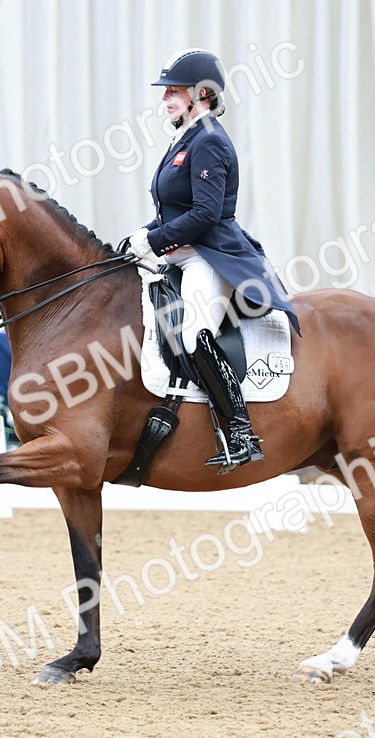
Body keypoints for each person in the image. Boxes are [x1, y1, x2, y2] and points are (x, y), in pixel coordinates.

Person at [126, 48, 300, 471]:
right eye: (165, 92)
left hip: (209, 256)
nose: (165, 100)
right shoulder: (184, 140)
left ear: (201, 94)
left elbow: (205, 214)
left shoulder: (209, 141)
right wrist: (142, 237)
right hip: (180, 254)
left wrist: (155, 239)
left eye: (173, 92)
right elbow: (174, 208)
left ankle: (241, 430)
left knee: (192, 335)